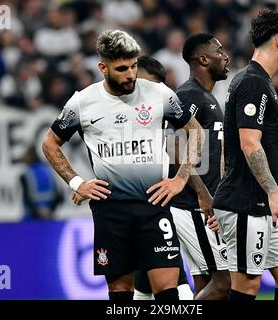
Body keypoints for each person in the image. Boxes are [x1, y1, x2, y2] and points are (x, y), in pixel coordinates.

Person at [42, 30, 204, 301]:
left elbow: (196, 131)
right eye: (121, 69)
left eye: (134, 66)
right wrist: (77, 182)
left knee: (167, 290)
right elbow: (50, 143)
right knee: (119, 291)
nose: (130, 74)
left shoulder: (159, 94)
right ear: (102, 68)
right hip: (111, 208)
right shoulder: (83, 102)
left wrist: (180, 179)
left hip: (153, 204)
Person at [213, 9, 278, 300]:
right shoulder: (253, 83)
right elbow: (249, 143)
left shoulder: (260, 82)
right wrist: (274, 193)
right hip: (246, 203)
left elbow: (228, 146)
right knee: (247, 286)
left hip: (261, 202)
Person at [167, 33, 231, 300]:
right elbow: (173, 145)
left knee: (206, 282)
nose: (226, 56)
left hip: (202, 205)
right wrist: (203, 192)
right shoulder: (188, 95)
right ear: (203, 59)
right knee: (225, 283)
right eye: (219, 51)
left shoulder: (208, 98)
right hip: (192, 205)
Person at [132, 55, 194, 301]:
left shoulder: (166, 118)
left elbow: (188, 147)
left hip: (164, 209)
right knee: (146, 283)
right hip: (131, 210)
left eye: (155, 85)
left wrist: (194, 189)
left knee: (163, 283)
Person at [19, 145, 63, 220]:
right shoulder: (48, 171)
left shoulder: (26, 175)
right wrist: (49, 211)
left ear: (29, 157)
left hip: (32, 217)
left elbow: (26, 198)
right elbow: (60, 196)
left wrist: (38, 212)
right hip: (49, 215)